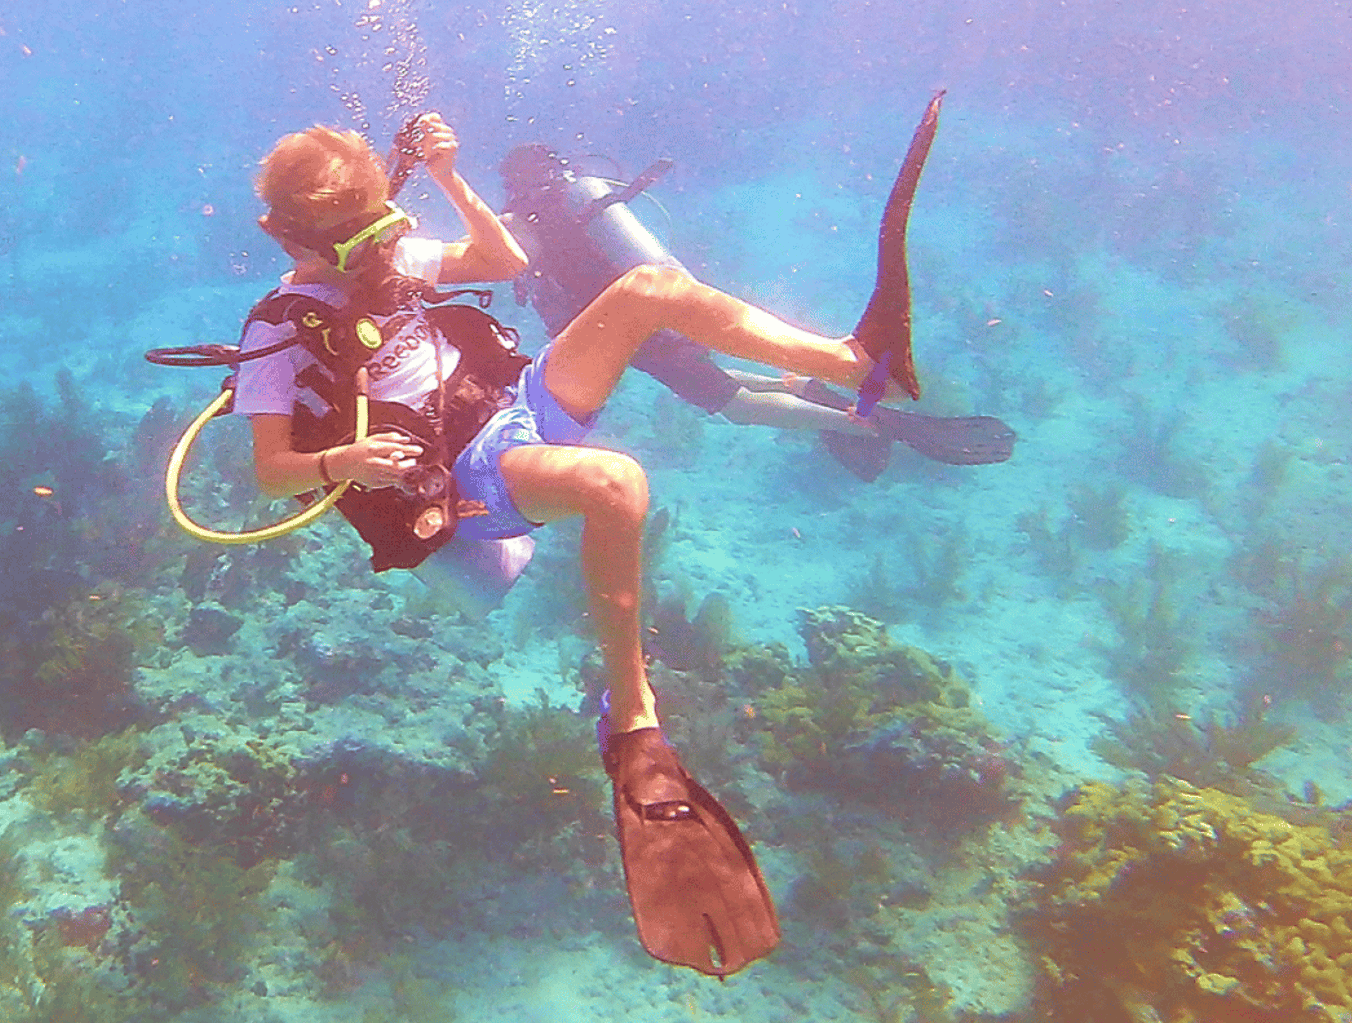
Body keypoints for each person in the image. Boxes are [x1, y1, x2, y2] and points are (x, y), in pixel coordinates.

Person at [228, 106, 954, 975]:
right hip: (461, 483)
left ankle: (858, 362)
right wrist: (342, 462)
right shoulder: (277, 329)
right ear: (282, 236)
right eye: (356, 245)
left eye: (383, 229)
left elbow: (504, 263)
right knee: (617, 483)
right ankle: (633, 717)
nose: (380, 255)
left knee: (650, 290)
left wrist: (450, 179)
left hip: (517, 406)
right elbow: (271, 472)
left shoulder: (394, 255)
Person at [498, 140, 1016, 482]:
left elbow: (534, 284)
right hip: (656, 315)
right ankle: (800, 386)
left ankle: (868, 425)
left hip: (628, 326)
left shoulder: (528, 222)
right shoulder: (580, 200)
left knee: (733, 405)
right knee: (714, 378)